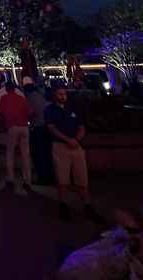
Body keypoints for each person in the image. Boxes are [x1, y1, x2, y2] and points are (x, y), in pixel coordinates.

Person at [44, 86, 104, 222]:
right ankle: (63, 205)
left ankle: (88, 205)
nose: (62, 96)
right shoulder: (50, 110)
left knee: (82, 179)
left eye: (64, 94)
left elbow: (82, 127)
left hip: (76, 145)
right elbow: (51, 128)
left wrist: (76, 139)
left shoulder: (73, 109)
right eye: (59, 94)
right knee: (62, 179)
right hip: (61, 146)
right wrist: (67, 140)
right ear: (54, 95)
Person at [0, 80, 33, 192]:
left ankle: (10, 178)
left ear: (6, 89)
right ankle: (28, 180)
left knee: (10, 153)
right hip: (24, 127)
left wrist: (3, 126)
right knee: (25, 154)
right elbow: (30, 112)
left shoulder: (4, 99)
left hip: (12, 127)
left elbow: (1, 114)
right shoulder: (22, 98)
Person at [24, 78, 54, 185]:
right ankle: (50, 176)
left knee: (39, 153)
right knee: (46, 153)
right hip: (46, 126)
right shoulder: (41, 94)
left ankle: (42, 177)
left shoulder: (30, 97)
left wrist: (27, 118)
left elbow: (31, 112)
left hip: (37, 127)